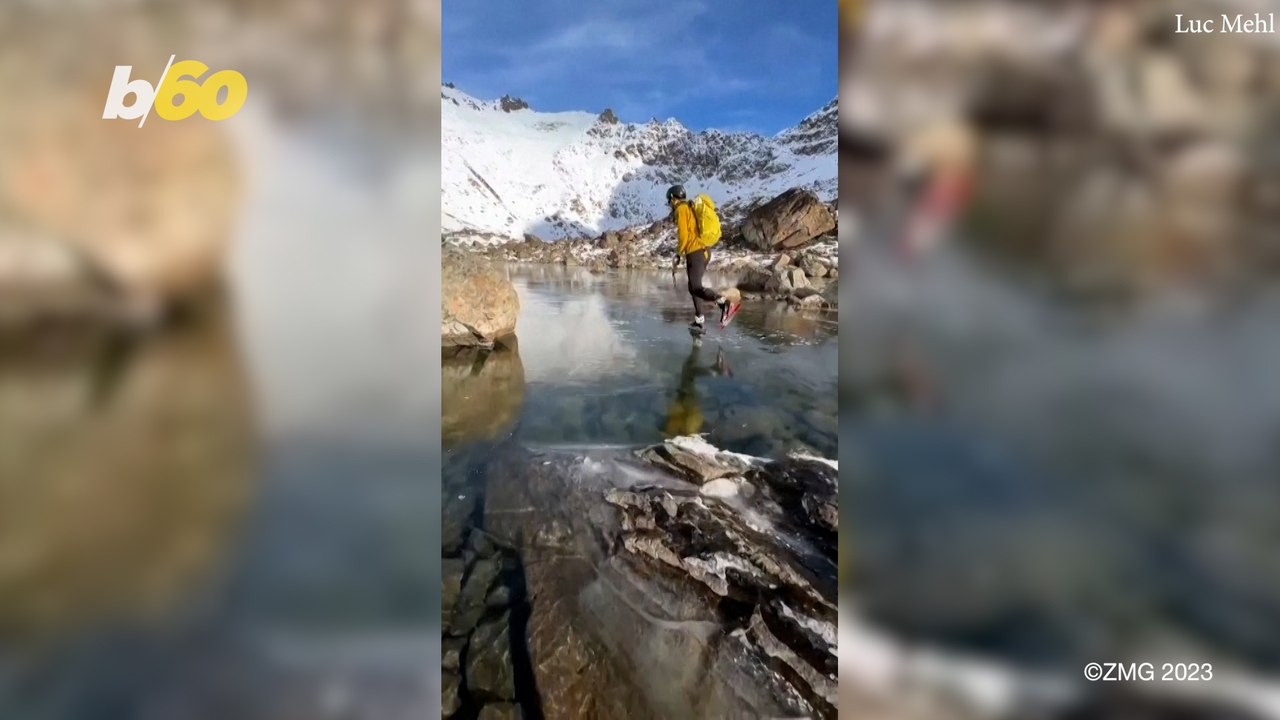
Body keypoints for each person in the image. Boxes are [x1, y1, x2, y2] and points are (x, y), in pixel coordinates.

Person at [667, 184, 739, 332]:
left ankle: (724, 303)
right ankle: (699, 321)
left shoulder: (681, 209)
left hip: (695, 251)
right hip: (703, 251)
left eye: (669, 201)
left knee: (695, 287)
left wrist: (678, 253)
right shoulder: (689, 207)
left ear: (673, 198)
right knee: (693, 287)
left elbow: (684, 235)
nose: (669, 205)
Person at [663, 336, 733, 437]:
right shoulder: (692, 426)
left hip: (683, 400)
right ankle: (699, 345)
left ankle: (698, 343)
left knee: (687, 370)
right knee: (688, 371)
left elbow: (676, 430)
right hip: (687, 401)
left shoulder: (683, 428)